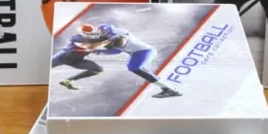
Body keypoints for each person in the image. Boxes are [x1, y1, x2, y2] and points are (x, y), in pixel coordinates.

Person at [51, 23, 181, 98]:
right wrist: (101, 46)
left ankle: (169, 89)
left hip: (143, 51)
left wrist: (102, 46)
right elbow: (94, 46)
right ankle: (167, 88)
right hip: (65, 57)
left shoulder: (115, 34)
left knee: (133, 68)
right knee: (133, 67)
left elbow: (118, 47)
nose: (95, 36)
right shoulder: (80, 38)